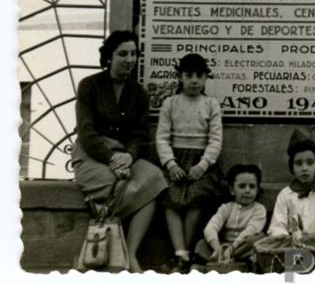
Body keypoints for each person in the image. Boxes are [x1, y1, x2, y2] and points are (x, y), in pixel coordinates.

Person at [71, 30, 167, 272]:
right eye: (123, 53)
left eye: (134, 54)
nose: (129, 59)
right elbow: (86, 130)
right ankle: (101, 246)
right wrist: (112, 158)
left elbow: (139, 134)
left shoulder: (139, 93)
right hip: (93, 155)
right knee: (120, 182)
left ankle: (130, 254)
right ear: (109, 57)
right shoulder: (89, 86)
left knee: (154, 179)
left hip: (125, 156)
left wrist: (129, 155)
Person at [155, 53, 224, 273]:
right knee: (170, 198)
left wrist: (203, 165)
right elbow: (162, 137)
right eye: (189, 75)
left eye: (199, 75)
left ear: (205, 78)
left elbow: (215, 139)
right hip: (176, 161)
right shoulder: (170, 103)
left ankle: (183, 256)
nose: (194, 80)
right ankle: (180, 251)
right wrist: (170, 164)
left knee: (196, 197)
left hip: (200, 161)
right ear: (180, 77)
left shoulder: (211, 104)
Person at [267, 128, 315, 241]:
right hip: (293, 248)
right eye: (298, 163)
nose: (305, 168)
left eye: (310, 163)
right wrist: (286, 239)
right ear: (292, 168)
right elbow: (277, 226)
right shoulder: (285, 194)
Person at [192, 164, 267, 271]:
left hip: (242, 248)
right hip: (223, 246)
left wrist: (232, 248)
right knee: (201, 244)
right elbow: (211, 227)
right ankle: (202, 266)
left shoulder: (259, 209)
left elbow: (251, 230)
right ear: (232, 190)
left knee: (256, 241)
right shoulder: (226, 208)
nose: (247, 190)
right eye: (242, 186)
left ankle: (245, 266)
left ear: (257, 189)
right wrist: (217, 248)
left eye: (252, 186)